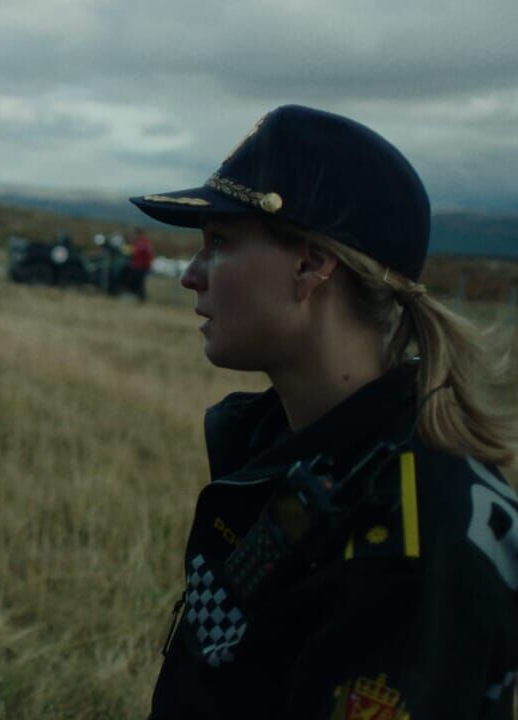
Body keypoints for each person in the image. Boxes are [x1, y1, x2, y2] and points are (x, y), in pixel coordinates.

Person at [131, 105, 517, 718]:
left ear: (311, 266)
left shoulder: (412, 540)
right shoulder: (294, 448)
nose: (192, 276)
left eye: (220, 243)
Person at [125, 226, 155, 301]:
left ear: (137, 234)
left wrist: (129, 251)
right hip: (139, 266)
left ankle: (140, 297)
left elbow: (136, 251)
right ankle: (138, 296)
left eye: (133, 234)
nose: (132, 235)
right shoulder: (141, 241)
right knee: (137, 281)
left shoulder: (142, 242)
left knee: (138, 282)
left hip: (141, 266)